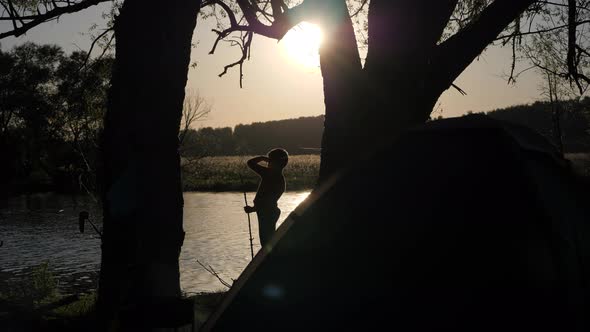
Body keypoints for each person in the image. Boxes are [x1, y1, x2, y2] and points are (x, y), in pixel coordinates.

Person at [244, 148, 289, 247]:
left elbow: (250, 163)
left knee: (266, 243)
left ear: (275, 162)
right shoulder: (277, 176)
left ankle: (270, 260)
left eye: (270, 160)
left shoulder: (269, 174)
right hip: (268, 211)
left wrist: (262, 158)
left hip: (267, 213)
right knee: (268, 241)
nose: (268, 163)